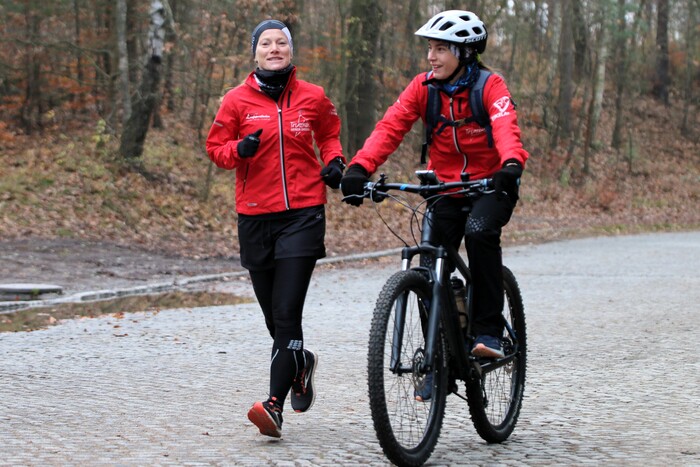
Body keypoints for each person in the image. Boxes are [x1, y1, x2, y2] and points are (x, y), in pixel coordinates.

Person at [341, 10, 529, 362]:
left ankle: (488, 330)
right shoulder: (422, 87)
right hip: (443, 187)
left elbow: (506, 127)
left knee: (479, 232)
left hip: (492, 183)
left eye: (441, 49)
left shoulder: (490, 86)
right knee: (429, 263)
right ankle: (437, 358)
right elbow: (390, 127)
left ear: (465, 52)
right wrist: (359, 168)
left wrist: (511, 164)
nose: (431, 56)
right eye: (430, 48)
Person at [206, 19, 345, 438]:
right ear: (255, 52)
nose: (274, 48)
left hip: (303, 213)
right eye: (265, 43)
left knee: (287, 313)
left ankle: (273, 406)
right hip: (254, 217)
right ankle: (300, 362)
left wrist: (335, 162)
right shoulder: (235, 100)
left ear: (290, 50)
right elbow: (215, 149)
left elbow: (330, 135)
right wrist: (238, 149)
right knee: (274, 318)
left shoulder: (313, 96)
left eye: (281, 42)